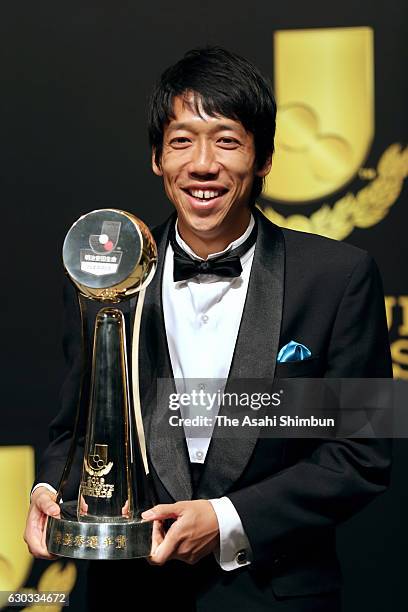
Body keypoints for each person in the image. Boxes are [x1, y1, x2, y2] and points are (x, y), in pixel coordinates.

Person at [24, 47, 392, 612]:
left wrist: (226, 521)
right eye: (181, 141)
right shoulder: (106, 277)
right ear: (157, 158)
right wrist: (50, 490)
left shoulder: (337, 279)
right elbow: (74, 432)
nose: (201, 164)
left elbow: (359, 454)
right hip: (128, 595)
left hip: (273, 593)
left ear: (264, 158)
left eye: (226, 140)